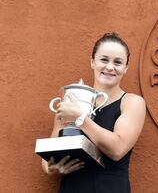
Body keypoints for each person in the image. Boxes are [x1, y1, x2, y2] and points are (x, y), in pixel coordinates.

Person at [41, 32, 146, 193]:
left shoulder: (132, 102)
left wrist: (79, 118)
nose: (110, 67)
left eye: (118, 62)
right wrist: (53, 167)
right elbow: (49, 155)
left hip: (110, 188)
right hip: (72, 187)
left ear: (125, 68)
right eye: (104, 60)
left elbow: (117, 149)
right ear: (92, 62)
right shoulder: (72, 99)